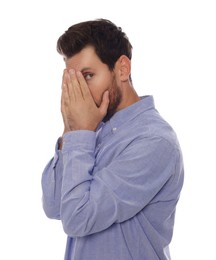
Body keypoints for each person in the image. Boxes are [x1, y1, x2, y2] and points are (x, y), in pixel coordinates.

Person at [41, 18, 184, 260]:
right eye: (72, 80)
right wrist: (70, 128)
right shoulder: (89, 132)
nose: (80, 92)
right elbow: (55, 206)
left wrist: (80, 132)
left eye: (87, 76)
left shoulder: (154, 142)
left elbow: (78, 217)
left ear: (122, 69)